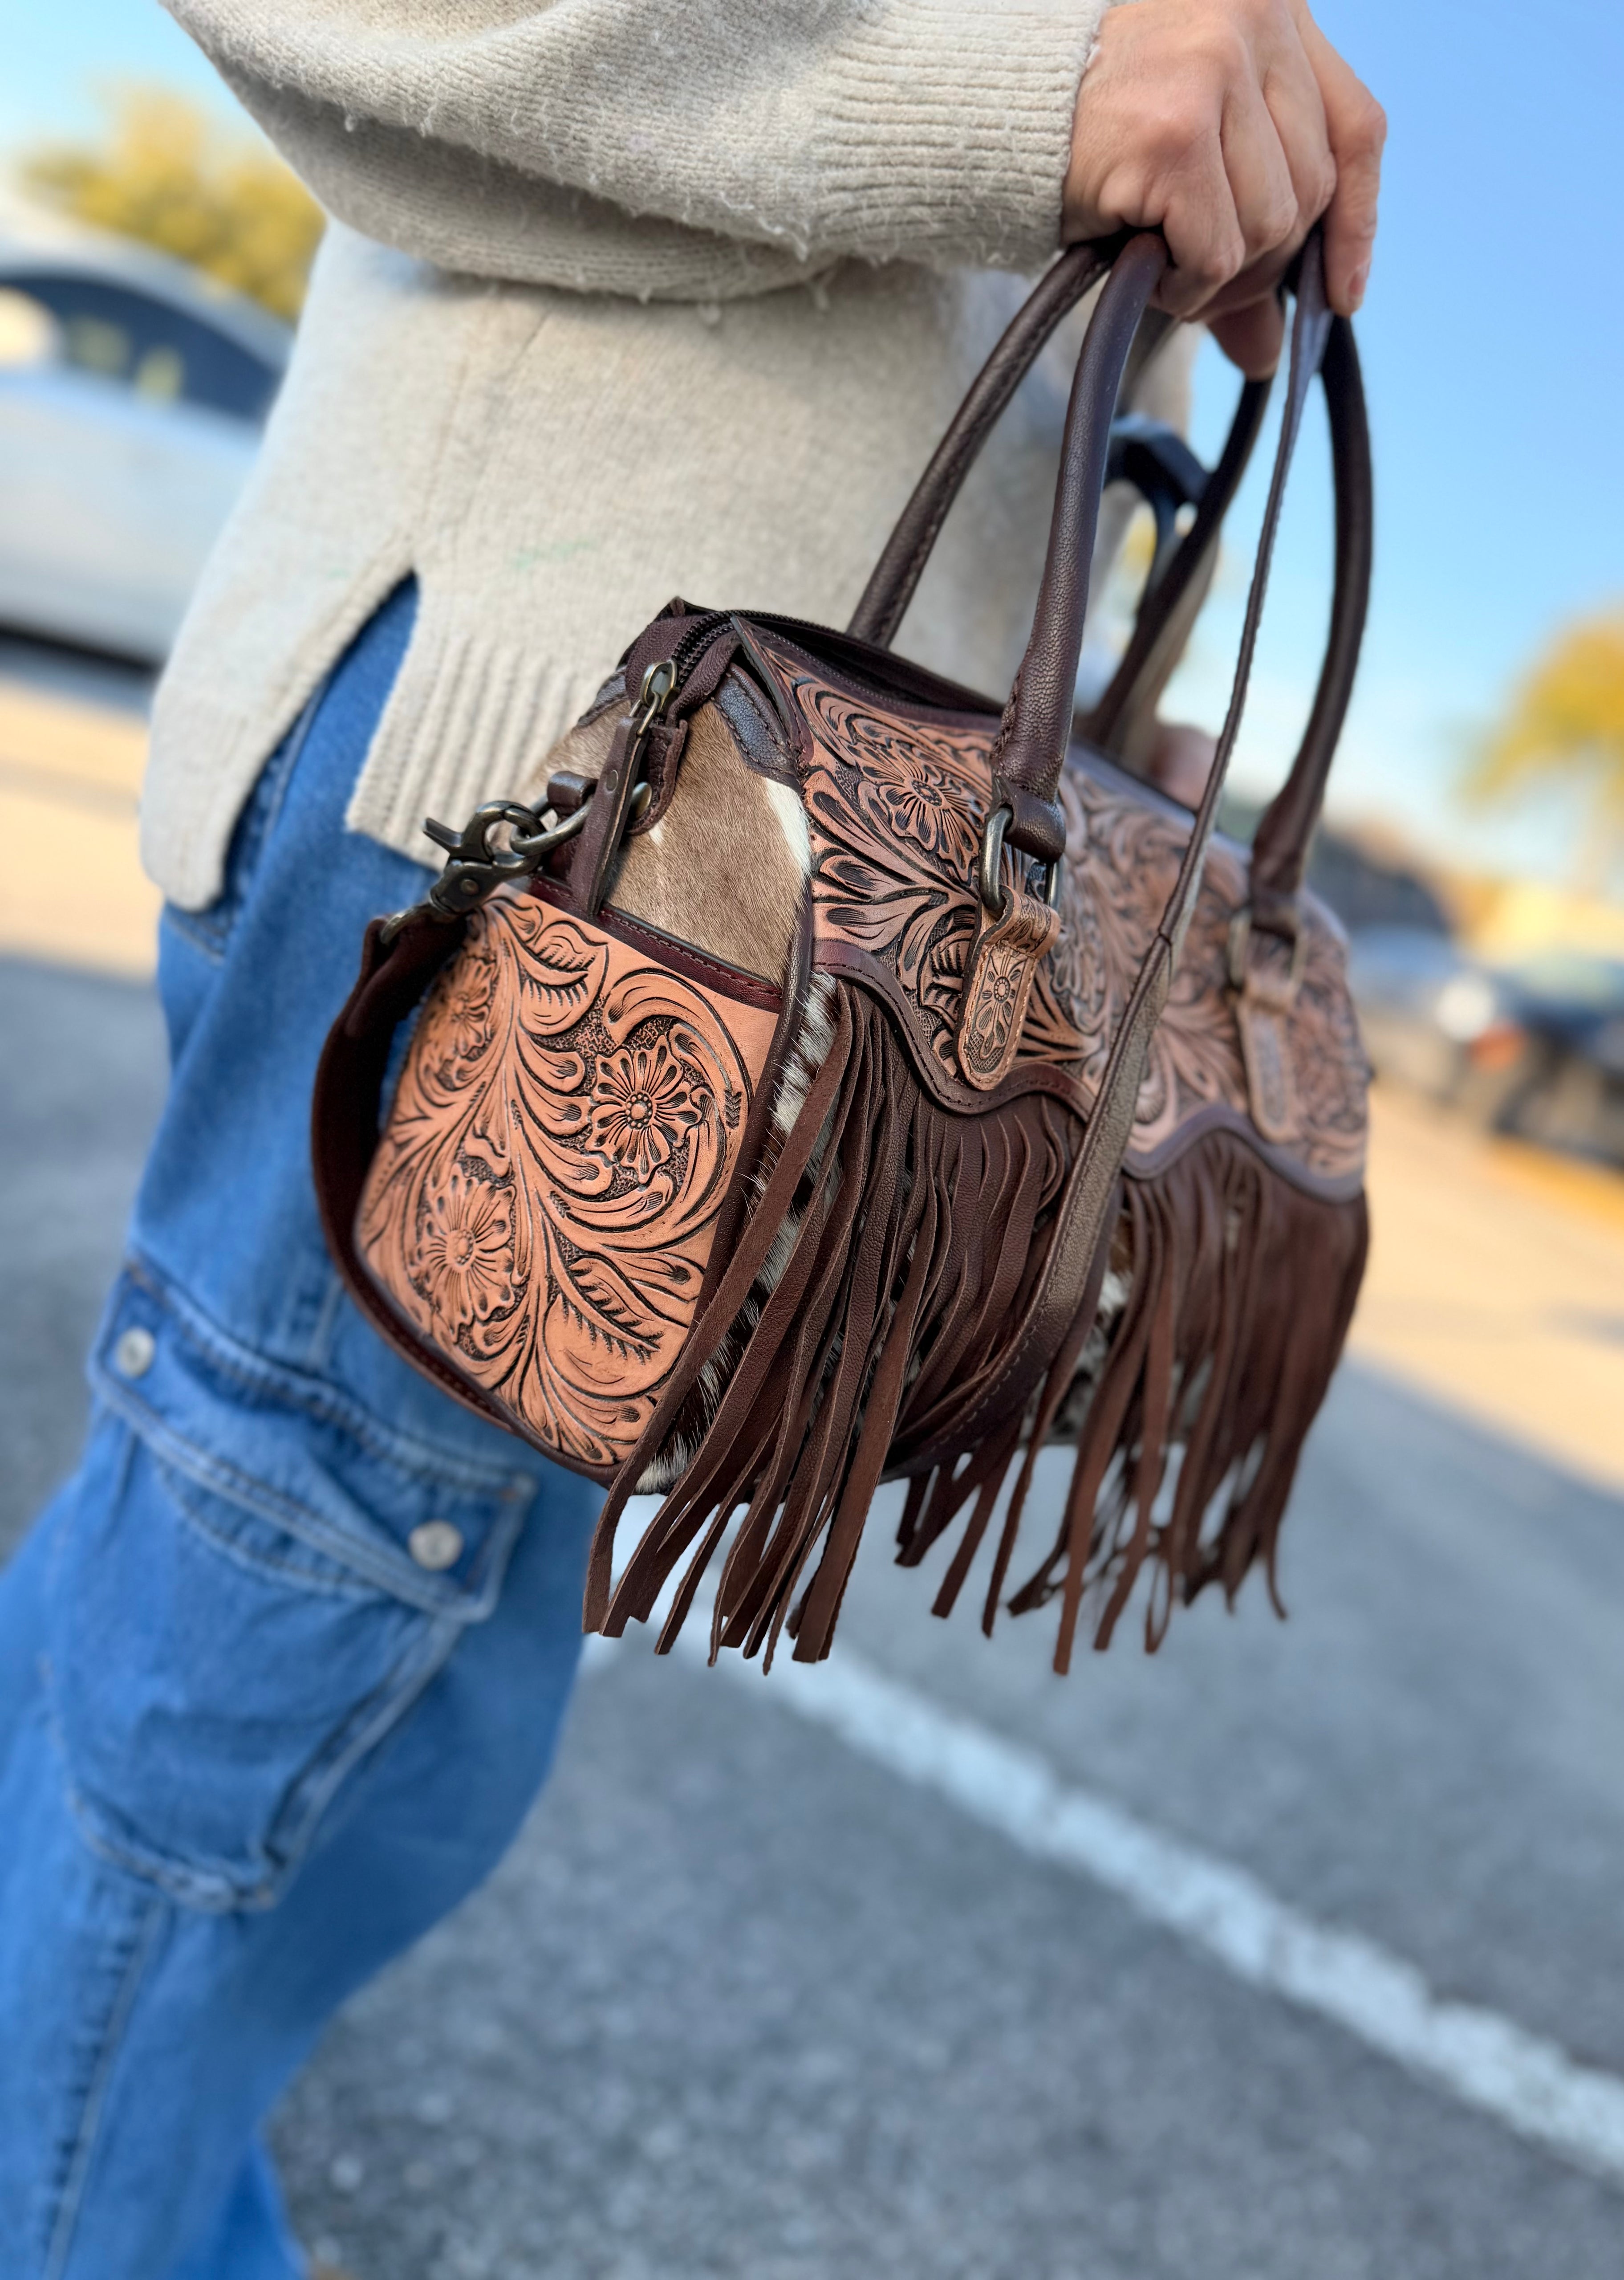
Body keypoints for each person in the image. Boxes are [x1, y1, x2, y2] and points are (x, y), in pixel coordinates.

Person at [0, 5, 1384, 2272]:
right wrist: (1035, 87)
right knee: (242, 1730)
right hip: (565, 838)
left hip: (804, 926)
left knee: (281, 1696)